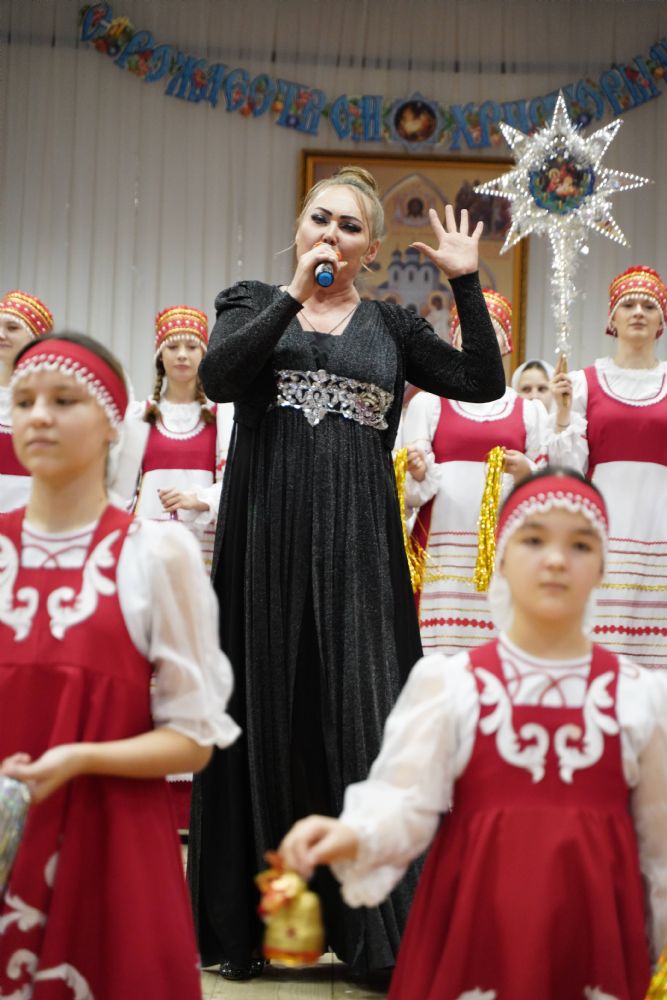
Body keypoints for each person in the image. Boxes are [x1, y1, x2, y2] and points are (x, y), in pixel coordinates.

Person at [188, 165, 506, 980]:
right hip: (263, 545)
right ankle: (256, 927)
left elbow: (482, 381)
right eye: (320, 219)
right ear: (299, 229)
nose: (331, 234)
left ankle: (376, 934)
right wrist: (292, 296)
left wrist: (464, 285)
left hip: (359, 549)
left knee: (362, 707)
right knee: (263, 705)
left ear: (370, 249)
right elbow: (218, 379)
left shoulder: (391, 326)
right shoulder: (249, 302)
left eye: (350, 226)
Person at [279, 467, 667, 1000]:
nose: (557, 559)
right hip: (475, 933)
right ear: (500, 555)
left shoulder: (641, 699)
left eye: (580, 544)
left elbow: (658, 847)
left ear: (603, 564)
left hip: (594, 942)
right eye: (534, 539)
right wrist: (353, 834)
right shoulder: (452, 685)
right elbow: (405, 802)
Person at [0, 334, 240, 998]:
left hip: (113, 846)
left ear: (113, 423)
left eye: (63, 400)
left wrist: (81, 758)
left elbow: (193, 739)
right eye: (24, 401)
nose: (39, 416)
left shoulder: (155, 555)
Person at [402, 290, 548, 654]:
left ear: (505, 344)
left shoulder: (528, 411)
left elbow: (547, 486)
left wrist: (526, 472)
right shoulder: (429, 403)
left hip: (503, 548)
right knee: (436, 646)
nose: (478, 338)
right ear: (454, 341)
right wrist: (416, 471)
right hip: (440, 548)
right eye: (468, 330)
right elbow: (407, 489)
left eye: (489, 330)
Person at [549, 265, 667, 668]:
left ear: (661, 322)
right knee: (602, 640)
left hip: (660, 524)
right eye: (628, 305)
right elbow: (568, 470)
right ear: (612, 319)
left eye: (649, 306)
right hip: (606, 525)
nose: (638, 312)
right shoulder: (584, 382)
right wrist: (562, 413)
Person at [111, 305, 234, 572]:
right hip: (147, 543)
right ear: (160, 356)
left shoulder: (221, 415)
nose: (181, 355)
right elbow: (121, 493)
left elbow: (234, 483)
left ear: (203, 355)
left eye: (191, 347)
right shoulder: (139, 415)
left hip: (201, 546)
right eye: (172, 347)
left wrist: (198, 499)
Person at [0, 290, 54, 512]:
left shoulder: (53, 404)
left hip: (33, 522)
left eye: (12, 328)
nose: (1, 335)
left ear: (36, 338)